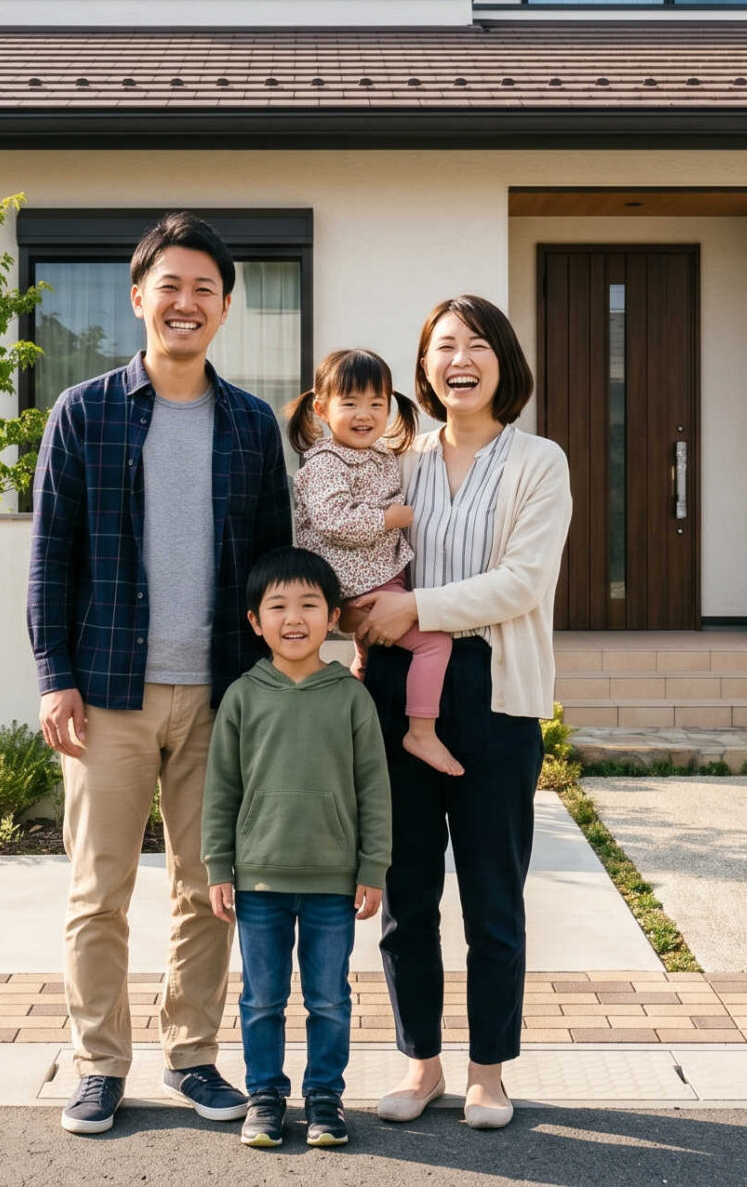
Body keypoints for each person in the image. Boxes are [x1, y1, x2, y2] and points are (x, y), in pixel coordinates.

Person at [27, 212, 293, 1136]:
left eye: (203, 289)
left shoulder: (252, 424)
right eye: (169, 286)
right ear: (139, 297)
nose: (186, 302)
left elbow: (273, 569)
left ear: (225, 307)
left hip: (221, 695)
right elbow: (50, 557)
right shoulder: (85, 412)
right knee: (98, 890)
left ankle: (192, 1055)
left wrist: (273, 686)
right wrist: (55, 674)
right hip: (107, 694)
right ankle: (99, 1064)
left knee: (207, 886)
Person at [346, 294, 571, 1132]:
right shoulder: (396, 458)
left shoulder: (538, 461)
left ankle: (487, 1072)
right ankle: (422, 1062)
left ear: (504, 361)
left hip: (494, 692)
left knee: (491, 895)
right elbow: (355, 546)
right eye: (443, 346)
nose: (459, 359)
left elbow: (523, 581)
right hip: (396, 686)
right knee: (407, 892)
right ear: (425, 367)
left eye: (476, 344)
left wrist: (417, 608)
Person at [203, 547, 391, 1150]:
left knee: (329, 998)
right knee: (262, 998)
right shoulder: (242, 696)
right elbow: (221, 789)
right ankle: (264, 1097)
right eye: (278, 606)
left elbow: (374, 789)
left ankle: (324, 1098)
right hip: (259, 881)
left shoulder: (351, 697)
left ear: (332, 617)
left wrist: (373, 867)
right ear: (255, 621)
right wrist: (218, 866)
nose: (294, 618)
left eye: (309, 605)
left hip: (334, 883)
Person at [284, 348, 463, 777]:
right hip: (357, 585)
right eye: (350, 403)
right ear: (322, 409)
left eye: (376, 403)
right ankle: (421, 731)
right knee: (435, 644)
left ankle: (354, 714)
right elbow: (333, 520)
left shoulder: (382, 453)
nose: (364, 414)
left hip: (380, 579)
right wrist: (389, 519)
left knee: (367, 658)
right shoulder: (327, 462)